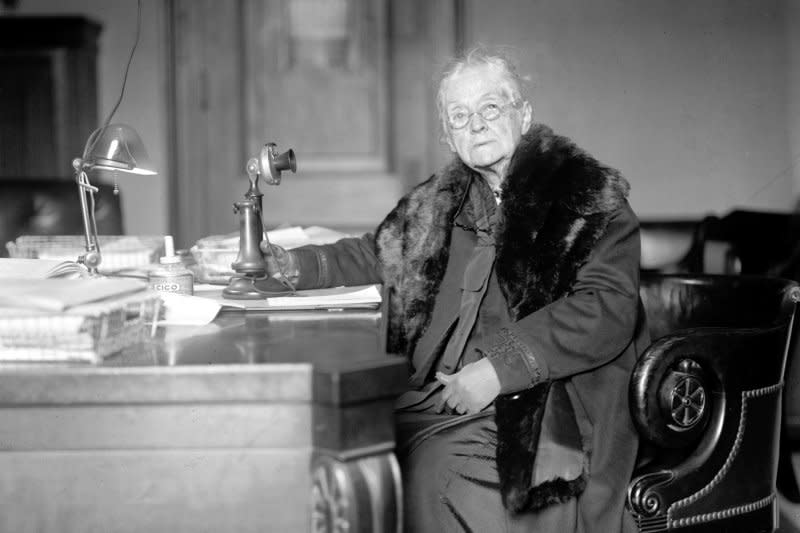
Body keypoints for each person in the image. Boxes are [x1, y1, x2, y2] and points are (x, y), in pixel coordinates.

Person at [262, 46, 649, 532]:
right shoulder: (443, 199)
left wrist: (497, 370)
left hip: (543, 408)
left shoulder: (588, 197)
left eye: (491, 108)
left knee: (433, 475)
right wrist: (292, 264)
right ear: (447, 135)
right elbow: (376, 251)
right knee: (339, 443)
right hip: (440, 396)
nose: (477, 124)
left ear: (523, 116)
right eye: (459, 116)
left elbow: (607, 308)